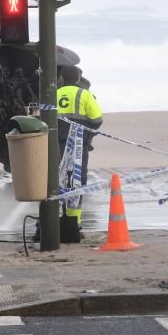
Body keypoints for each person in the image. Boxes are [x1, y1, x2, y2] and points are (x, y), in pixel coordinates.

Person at [56, 65, 103, 233]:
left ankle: (55, 221)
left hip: (57, 144)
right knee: (77, 179)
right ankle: (74, 222)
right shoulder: (85, 95)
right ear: (78, 79)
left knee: (55, 180)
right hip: (78, 146)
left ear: (61, 79)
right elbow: (97, 119)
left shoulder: (54, 94)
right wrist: (87, 137)